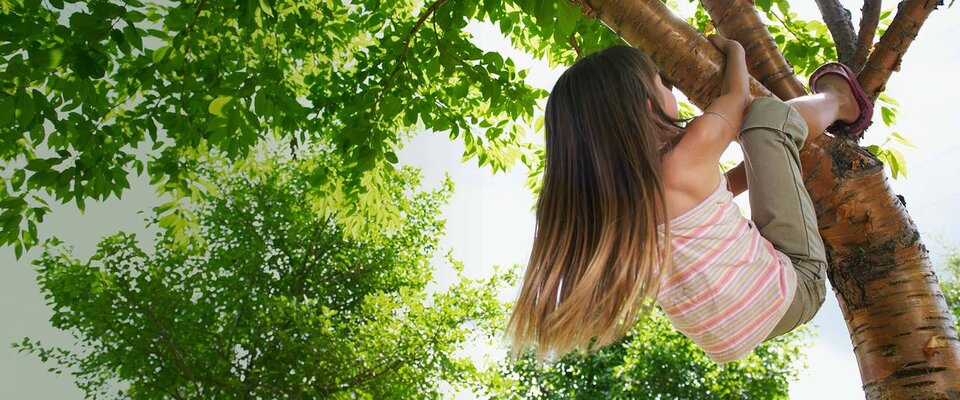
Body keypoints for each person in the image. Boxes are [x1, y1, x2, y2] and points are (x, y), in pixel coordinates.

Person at [504, 34, 873, 363]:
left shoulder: (613, 209)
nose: (672, 91)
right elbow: (738, 98)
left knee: (757, 156)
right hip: (796, 284)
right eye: (662, 83)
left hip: (727, 335)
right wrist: (735, 49)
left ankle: (794, 148)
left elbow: (706, 212)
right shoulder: (686, 155)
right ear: (647, 106)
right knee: (767, 120)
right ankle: (840, 102)